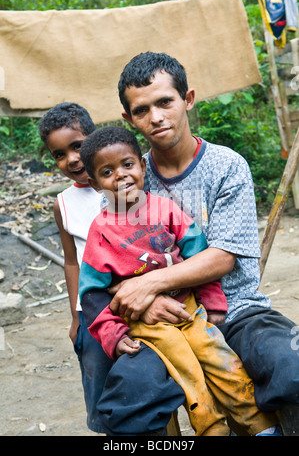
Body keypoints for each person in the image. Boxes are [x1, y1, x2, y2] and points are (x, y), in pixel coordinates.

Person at [101, 51, 299, 435]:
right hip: (163, 321)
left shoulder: (226, 166)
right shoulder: (124, 178)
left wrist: (149, 282)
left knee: (291, 365)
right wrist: (148, 299)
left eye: (165, 102)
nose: (156, 117)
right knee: (130, 397)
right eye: (142, 110)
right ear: (129, 119)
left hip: (237, 311)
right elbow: (106, 265)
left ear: (187, 99)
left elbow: (223, 257)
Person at [78, 125, 280, 436]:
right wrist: (114, 335)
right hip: (146, 322)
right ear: (94, 183)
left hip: (189, 308)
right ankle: (211, 427)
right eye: (107, 172)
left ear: (143, 165)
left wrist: (212, 303)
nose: (121, 176)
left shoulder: (165, 209)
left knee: (221, 360)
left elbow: (198, 255)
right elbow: (92, 293)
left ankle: (258, 425)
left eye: (128, 165)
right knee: (186, 366)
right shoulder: (101, 231)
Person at [38, 103, 115, 434]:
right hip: (93, 312)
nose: (70, 159)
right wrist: (75, 316)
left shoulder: (123, 185)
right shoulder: (63, 204)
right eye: (58, 154)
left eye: (77, 146)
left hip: (133, 300)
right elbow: (72, 261)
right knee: (100, 384)